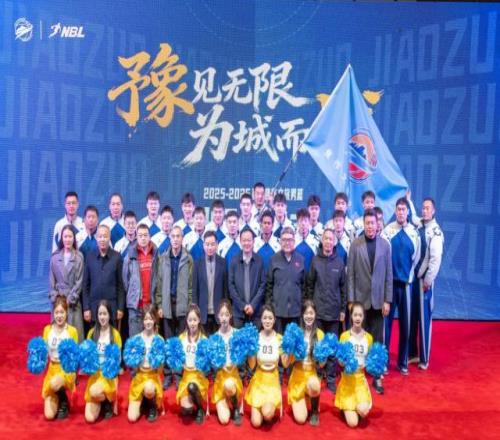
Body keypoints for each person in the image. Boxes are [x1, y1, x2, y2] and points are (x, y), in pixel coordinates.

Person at [348, 209, 392, 394]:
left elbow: (389, 274)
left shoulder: (385, 246)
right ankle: (354, 374)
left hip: (378, 302)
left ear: (377, 224)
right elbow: (350, 274)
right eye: (367, 223)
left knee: (377, 341)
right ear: (363, 224)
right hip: (360, 302)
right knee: (356, 339)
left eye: (373, 223)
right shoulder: (355, 245)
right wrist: (351, 300)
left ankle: (377, 376)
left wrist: (387, 300)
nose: (370, 226)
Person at [382, 198, 420, 376]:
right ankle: (383, 362)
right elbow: (383, 257)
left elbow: (416, 258)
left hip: (406, 286)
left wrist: (409, 277)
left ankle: (403, 362)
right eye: (398, 209)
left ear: (408, 212)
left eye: (404, 209)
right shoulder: (387, 231)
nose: (401, 212)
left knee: (406, 326)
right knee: (386, 326)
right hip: (390, 286)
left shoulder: (414, 233)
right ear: (395, 211)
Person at [306, 228, 346, 392]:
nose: (328, 241)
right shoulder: (315, 260)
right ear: (322, 241)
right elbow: (310, 285)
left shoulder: (340, 262)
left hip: (334, 313)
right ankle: (317, 374)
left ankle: (330, 379)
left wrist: (343, 309)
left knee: (332, 347)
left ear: (334, 242)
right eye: (326, 239)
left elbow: (343, 288)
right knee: (317, 346)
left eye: (331, 239)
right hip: (318, 313)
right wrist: (310, 308)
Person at [155, 225, 193, 388]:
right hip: (167, 305)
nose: (176, 239)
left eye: (178, 236)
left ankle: (178, 374)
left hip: (182, 306)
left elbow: (191, 286)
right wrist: (159, 305)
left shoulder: (188, 259)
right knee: (168, 342)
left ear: (182, 238)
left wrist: (190, 307)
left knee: (179, 343)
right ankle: (168, 373)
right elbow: (159, 283)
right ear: (169, 238)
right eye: (173, 236)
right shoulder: (163, 258)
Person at [409, 198, 444, 370]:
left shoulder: (435, 232)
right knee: (413, 317)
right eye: (423, 208)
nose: (424, 211)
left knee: (424, 320)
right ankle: (413, 354)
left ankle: (424, 359)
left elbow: (435, 260)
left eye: (427, 208)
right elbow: (413, 217)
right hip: (415, 280)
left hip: (424, 282)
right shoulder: (421, 224)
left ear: (433, 211)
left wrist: (428, 281)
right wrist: (408, 201)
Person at [245, 304, 290, 428]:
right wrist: (250, 351)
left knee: (267, 414)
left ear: (274, 319)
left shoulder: (279, 339)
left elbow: (285, 364)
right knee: (256, 423)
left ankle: (267, 409)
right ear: (261, 319)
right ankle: (261, 408)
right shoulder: (256, 337)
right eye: (265, 318)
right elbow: (252, 365)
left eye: (270, 318)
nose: (267, 321)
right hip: (259, 381)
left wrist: (290, 350)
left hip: (273, 381)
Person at [335, 302, 374, 428]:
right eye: (355, 315)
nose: (357, 318)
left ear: (363, 317)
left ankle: (354, 408)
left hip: (360, 382)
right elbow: (340, 362)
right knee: (353, 423)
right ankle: (346, 407)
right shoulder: (344, 336)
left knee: (363, 410)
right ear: (351, 316)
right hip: (347, 382)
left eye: (360, 315)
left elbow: (370, 360)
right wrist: (343, 363)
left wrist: (366, 365)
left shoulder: (369, 338)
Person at [41, 295, 79, 420]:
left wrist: (74, 374)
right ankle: (60, 398)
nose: (59, 316)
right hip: (52, 369)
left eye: (62, 312)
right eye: (56, 312)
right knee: (49, 415)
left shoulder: (72, 331)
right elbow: (44, 353)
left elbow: (75, 356)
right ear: (53, 313)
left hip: (66, 370)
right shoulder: (47, 330)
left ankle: (64, 402)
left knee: (54, 383)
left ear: (66, 313)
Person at [84, 300, 122, 423]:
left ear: (110, 315)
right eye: (100, 314)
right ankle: (102, 400)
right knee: (89, 418)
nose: (102, 317)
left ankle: (108, 401)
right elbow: (87, 356)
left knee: (94, 391)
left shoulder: (115, 334)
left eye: (105, 314)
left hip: (108, 376)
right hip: (95, 376)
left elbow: (117, 361)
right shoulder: (91, 333)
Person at [287, 300, 324, 426]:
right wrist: (291, 350)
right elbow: (288, 362)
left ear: (315, 315)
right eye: (306, 313)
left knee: (314, 383)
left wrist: (323, 357)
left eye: (311, 313)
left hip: (311, 375)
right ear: (302, 315)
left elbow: (322, 365)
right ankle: (305, 398)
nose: (309, 316)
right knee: (301, 419)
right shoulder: (296, 333)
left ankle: (314, 411)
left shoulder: (320, 334)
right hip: (297, 376)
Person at [127, 304, 164, 422]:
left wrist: (159, 362)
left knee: (149, 388)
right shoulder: (136, 339)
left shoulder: (159, 340)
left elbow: (160, 370)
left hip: (152, 377)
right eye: (146, 319)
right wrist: (134, 359)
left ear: (155, 320)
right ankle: (144, 400)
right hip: (139, 377)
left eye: (151, 319)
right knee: (131, 418)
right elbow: (132, 366)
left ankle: (152, 404)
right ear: (142, 321)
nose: (148, 322)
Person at [82, 224, 125, 325]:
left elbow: (120, 285)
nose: (102, 239)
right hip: (94, 309)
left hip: (112, 309)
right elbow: (85, 285)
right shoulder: (90, 257)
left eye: (105, 236)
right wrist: (86, 308)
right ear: (96, 238)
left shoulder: (117, 257)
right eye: (100, 236)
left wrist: (120, 308)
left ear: (109, 238)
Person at [265, 227, 305, 334]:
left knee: (294, 342)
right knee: (279, 342)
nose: (287, 243)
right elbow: (269, 285)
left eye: (290, 240)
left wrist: (301, 305)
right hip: (278, 313)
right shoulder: (274, 259)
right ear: (280, 241)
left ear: (294, 241)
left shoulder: (300, 259)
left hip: (296, 313)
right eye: (284, 240)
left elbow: (304, 285)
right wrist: (271, 307)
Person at [49, 224, 85, 342]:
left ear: (74, 238)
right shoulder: (55, 258)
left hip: (73, 303)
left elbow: (79, 282)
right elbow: (51, 281)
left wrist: (69, 300)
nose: (68, 239)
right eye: (65, 237)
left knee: (75, 339)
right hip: (58, 303)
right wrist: (57, 300)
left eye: (70, 236)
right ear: (61, 238)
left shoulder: (79, 257)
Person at [211, 300, 243, 426]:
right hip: (220, 378)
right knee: (224, 420)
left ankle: (235, 407)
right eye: (221, 315)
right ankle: (225, 400)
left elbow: (243, 356)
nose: (224, 318)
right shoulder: (214, 337)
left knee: (229, 384)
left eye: (226, 314)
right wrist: (220, 365)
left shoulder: (237, 334)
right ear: (218, 317)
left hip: (233, 377)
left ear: (230, 316)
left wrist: (235, 364)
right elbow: (213, 363)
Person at [123, 223, 158, 337]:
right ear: (136, 237)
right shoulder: (130, 255)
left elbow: (159, 278)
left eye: (145, 235)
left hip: (151, 305)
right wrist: (133, 294)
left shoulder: (156, 254)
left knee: (151, 340)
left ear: (149, 237)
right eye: (140, 235)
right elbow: (125, 280)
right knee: (134, 341)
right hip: (135, 306)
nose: (143, 238)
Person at [177, 305, 209, 424]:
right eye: (190, 320)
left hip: (198, 378)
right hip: (186, 377)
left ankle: (200, 408)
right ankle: (192, 402)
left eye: (195, 320)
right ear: (186, 321)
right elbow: (177, 360)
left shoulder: (204, 339)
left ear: (199, 320)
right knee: (186, 410)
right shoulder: (181, 338)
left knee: (192, 387)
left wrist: (200, 367)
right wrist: (180, 365)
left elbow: (207, 365)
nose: (192, 323)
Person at [229, 229, 266, 328]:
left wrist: (253, 305)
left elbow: (262, 285)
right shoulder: (234, 261)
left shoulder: (259, 261)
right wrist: (243, 306)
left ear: (253, 242)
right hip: (238, 313)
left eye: (249, 240)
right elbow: (231, 286)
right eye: (244, 240)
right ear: (240, 242)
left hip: (256, 312)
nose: (246, 243)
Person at [193, 231, 228, 334]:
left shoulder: (223, 262)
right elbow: (195, 290)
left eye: (212, 244)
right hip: (202, 313)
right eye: (207, 244)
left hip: (219, 314)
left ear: (217, 245)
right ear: (203, 245)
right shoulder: (197, 264)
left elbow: (225, 290)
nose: (210, 247)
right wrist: (195, 311)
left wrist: (225, 309)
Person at [294, 208, 320, 273]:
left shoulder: (316, 241)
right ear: (297, 222)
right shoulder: (292, 240)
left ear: (309, 222)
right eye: (301, 221)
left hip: (311, 277)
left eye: (305, 221)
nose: (303, 224)